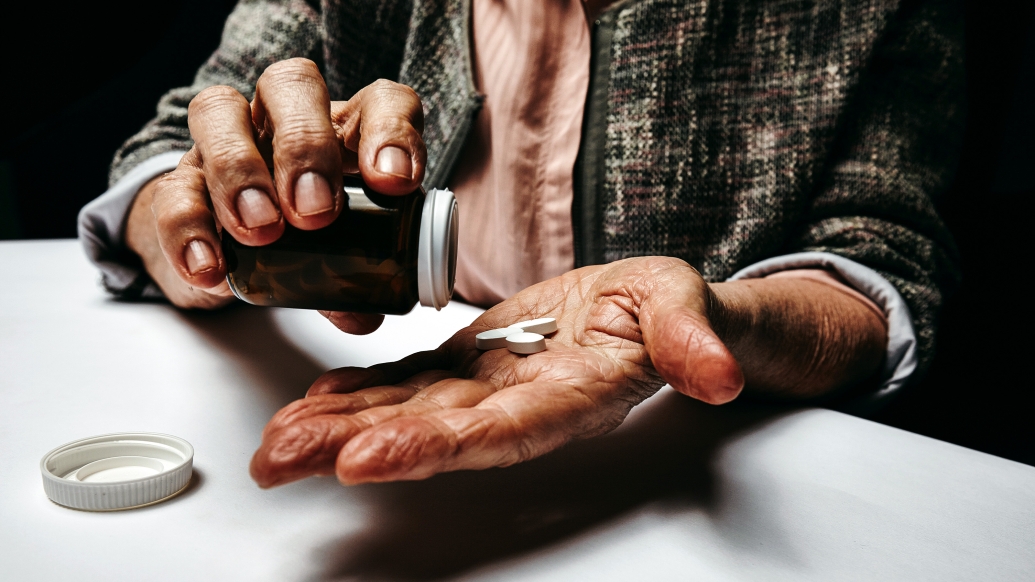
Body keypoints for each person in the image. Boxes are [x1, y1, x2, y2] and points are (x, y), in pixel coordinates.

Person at [78, 0, 963, 487]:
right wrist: (196, 218)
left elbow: (878, 258)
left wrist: (722, 318)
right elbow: (167, 152)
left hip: (695, 467)